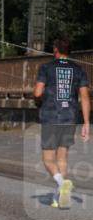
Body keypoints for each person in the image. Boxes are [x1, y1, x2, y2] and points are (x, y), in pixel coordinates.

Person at [33, 38, 91, 209]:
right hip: (70, 117)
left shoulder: (46, 68)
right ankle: (60, 198)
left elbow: (37, 92)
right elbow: (85, 97)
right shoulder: (79, 69)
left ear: (55, 50)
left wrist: (37, 96)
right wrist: (87, 122)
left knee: (48, 160)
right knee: (62, 157)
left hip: (51, 117)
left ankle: (61, 183)